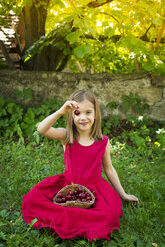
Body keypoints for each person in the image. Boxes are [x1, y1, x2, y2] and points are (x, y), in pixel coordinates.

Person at [22, 90, 139, 242]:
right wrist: (60, 112)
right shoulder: (67, 137)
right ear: (71, 115)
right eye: (77, 113)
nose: (83, 117)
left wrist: (123, 195)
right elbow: (41, 129)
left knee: (109, 213)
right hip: (68, 186)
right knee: (34, 201)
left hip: (95, 189)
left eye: (88, 112)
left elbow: (109, 169)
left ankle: (78, 223)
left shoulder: (103, 141)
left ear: (96, 114)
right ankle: (75, 222)